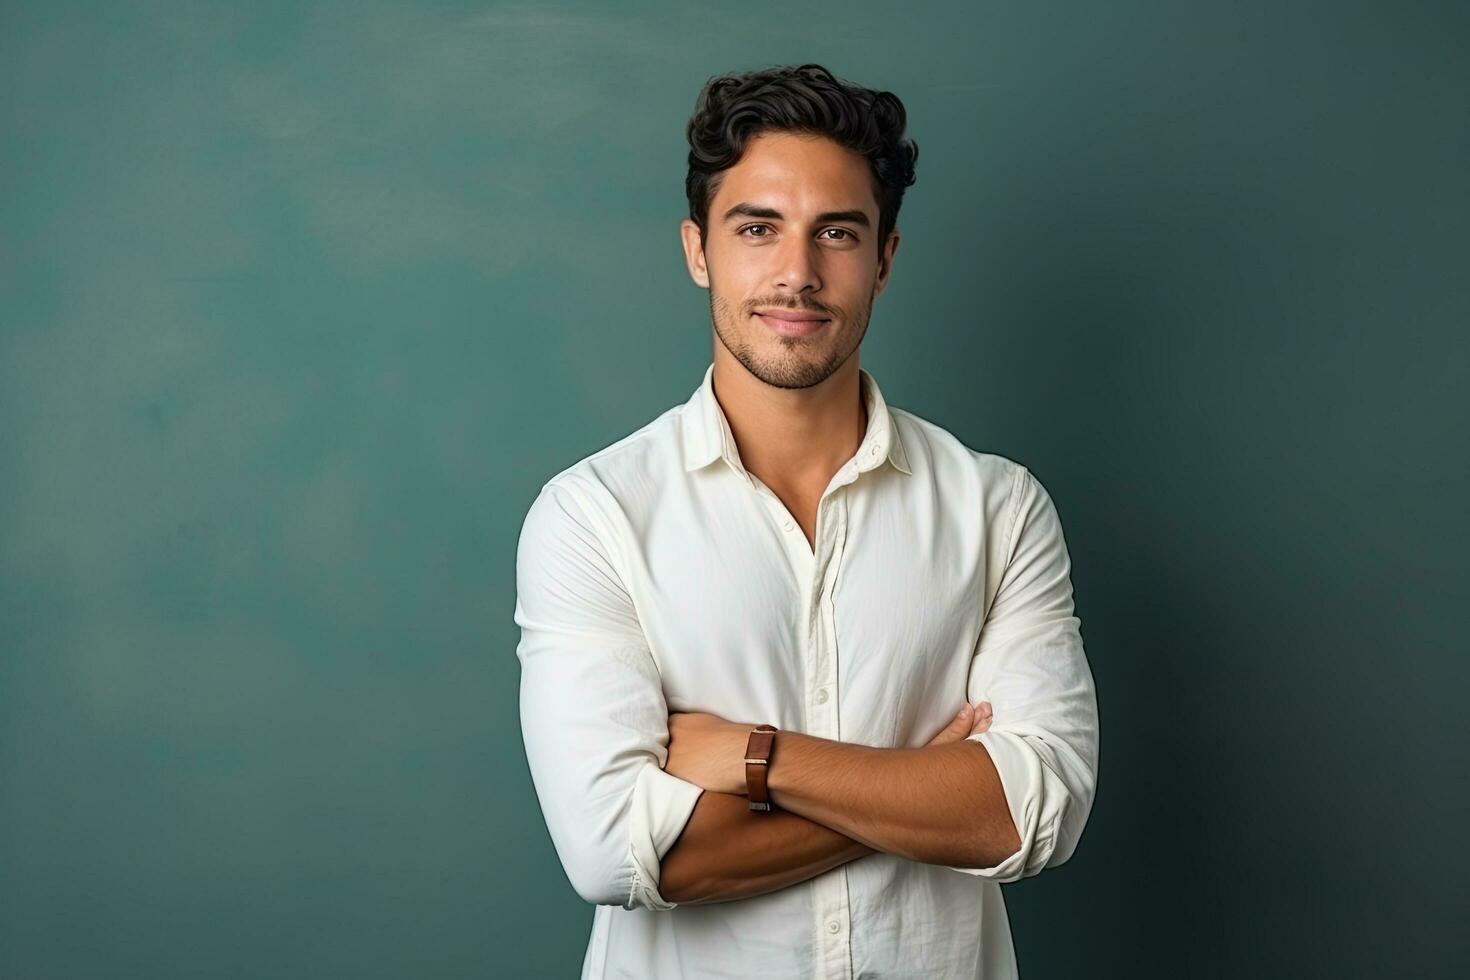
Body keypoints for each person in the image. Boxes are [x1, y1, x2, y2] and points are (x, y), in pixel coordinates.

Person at [513, 62, 1100, 980]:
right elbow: (614, 852)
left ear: (885, 259)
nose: (797, 273)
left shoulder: (998, 509)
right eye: (757, 228)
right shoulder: (593, 516)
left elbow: (1034, 814)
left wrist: (759, 759)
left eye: (837, 231)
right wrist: (918, 790)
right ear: (698, 249)